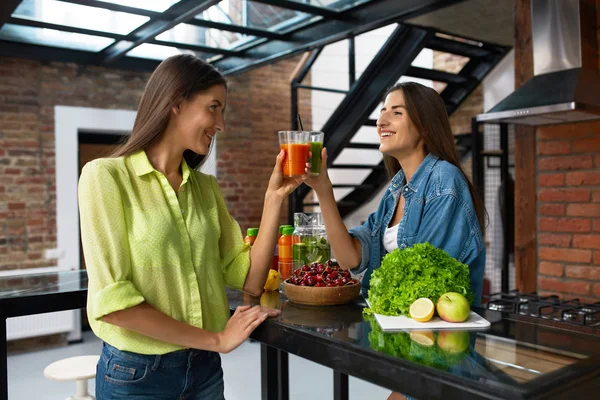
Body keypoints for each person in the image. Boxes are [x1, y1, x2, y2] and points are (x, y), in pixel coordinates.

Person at [78, 54, 305, 399]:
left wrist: (274, 199)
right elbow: (113, 303)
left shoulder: (205, 188)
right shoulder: (105, 177)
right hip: (137, 375)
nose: (221, 123)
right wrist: (216, 339)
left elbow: (249, 278)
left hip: (203, 370)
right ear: (176, 103)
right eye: (213, 107)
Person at [305, 82, 486, 400]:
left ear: (425, 127)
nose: (382, 120)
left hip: (441, 351)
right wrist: (322, 189)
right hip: (412, 342)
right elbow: (351, 257)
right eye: (382, 112)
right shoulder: (395, 192)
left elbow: (428, 285)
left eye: (396, 112)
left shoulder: (445, 181)